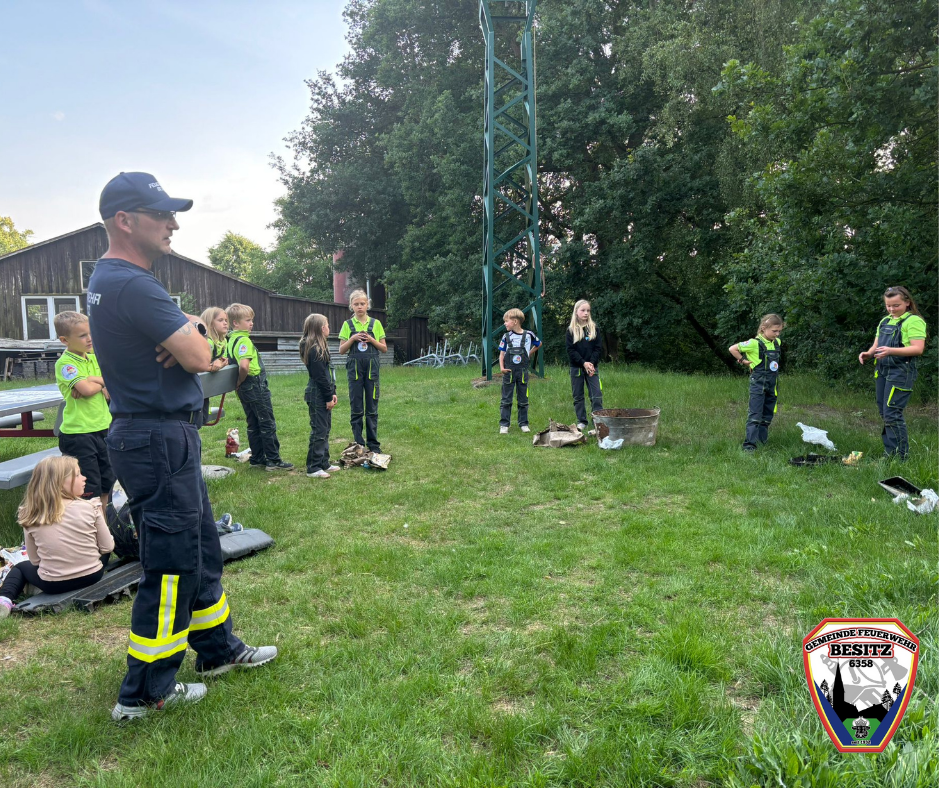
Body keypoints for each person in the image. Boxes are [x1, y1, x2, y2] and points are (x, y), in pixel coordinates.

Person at [88, 171, 276, 721]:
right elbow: (200, 357)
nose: (173, 224)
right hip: (155, 437)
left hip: (165, 436)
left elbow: (195, 339)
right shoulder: (131, 282)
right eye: (162, 215)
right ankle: (143, 692)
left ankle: (217, 652)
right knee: (172, 566)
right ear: (125, 220)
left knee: (200, 549)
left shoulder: (116, 280)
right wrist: (195, 338)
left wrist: (191, 326)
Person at [0, 456, 113, 619]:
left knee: (20, 567)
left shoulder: (30, 514)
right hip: (92, 575)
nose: (84, 478)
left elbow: (34, 561)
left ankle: (5, 600)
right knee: (104, 544)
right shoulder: (91, 506)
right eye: (78, 474)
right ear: (61, 482)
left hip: (53, 584)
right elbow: (108, 547)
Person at [53, 311, 115, 508]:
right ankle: (87, 532)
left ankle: (104, 530)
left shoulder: (93, 359)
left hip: (103, 428)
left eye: (90, 333)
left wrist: (93, 380)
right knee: (88, 490)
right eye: (82, 335)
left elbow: (114, 384)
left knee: (107, 484)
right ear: (64, 340)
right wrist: (98, 384)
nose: (90, 339)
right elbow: (87, 390)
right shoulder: (66, 364)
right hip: (79, 435)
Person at [858, 286, 927, 459]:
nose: (891, 309)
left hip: (901, 373)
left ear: (907, 302)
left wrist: (890, 351)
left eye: (896, 305)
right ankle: (890, 453)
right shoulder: (885, 321)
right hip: (881, 372)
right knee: (884, 413)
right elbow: (876, 345)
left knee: (892, 413)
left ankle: (900, 457)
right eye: (888, 305)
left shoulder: (914, 321)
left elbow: (918, 349)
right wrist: (868, 353)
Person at [225, 303, 293, 471]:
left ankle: (257, 458)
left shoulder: (230, 340)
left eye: (251, 320)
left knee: (253, 423)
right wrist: (240, 380)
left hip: (244, 389)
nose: (251, 323)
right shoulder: (244, 341)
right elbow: (244, 367)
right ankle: (273, 461)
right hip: (254, 384)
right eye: (248, 320)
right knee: (267, 423)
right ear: (235, 323)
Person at [337, 289, 386, 451]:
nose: (359, 307)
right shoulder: (348, 325)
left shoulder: (376, 324)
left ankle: (373, 444)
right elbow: (342, 350)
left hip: (372, 370)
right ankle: (359, 444)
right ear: (351, 306)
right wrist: (353, 338)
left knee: (372, 407)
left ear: (368, 305)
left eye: (362, 304)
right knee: (356, 407)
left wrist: (371, 339)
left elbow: (384, 348)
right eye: (356, 304)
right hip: (355, 371)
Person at [729, 314, 785, 452]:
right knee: (755, 415)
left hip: (772, 384)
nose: (777, 334)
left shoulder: (777, 342)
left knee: (767, 415)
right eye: (774, 331)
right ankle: (749, 446)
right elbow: (732, 349)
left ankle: (762, 442)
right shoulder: (754, 343)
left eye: (779, 331)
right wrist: (742, 360)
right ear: (764, 328)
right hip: (758, 384)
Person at [300, 313, 340, 478]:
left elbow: (328, 374)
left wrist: (333, 392)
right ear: (321, 328)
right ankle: (313, 467)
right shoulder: (313, 349)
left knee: (325, 428)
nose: (329, 328)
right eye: (327, 325)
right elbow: (320, 377)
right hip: (317, 393)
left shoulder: (321, 346)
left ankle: (324, 462)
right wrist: (328, 397)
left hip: (324, 391)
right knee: (319, 430)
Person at [498, 308, 541, 434]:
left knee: (523, 399)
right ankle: (504, 424)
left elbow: (539, 344)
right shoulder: (506, 336)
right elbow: (501, 354)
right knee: (506, 399)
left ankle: (523, 423)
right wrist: (501, 368)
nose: (505, 323)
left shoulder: (528, 335)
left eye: (506, 321)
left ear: (515, 321)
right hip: (509, 372)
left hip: (522, 372)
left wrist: (529, 353)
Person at [565, 300, 604, 430]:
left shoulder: (594, 329)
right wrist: (583, 363)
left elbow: (598, 349)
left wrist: (591, 363)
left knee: (596, 395)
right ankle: (582, 421)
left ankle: (597, 423)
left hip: (592, 368)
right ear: (576, 312)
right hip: (577, 368)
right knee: (578, 396)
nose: (586, 313)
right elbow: (571, 350)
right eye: (583, 310)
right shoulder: (571, 330)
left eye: (588, 310)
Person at [199, 307, 230, 424]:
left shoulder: (223, 342)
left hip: (204, 386)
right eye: (220, 320)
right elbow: (197, 365)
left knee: (202, 417)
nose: (225, 323)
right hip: (194, 386)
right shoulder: (207, 342)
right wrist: (213, 367)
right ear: (210, 324)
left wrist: (221, 362)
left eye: (226, 320)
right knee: (197, 419)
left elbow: (223, 360)